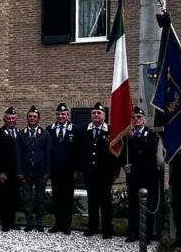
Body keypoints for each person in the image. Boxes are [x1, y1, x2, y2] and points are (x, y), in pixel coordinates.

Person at [80, 102, 120, 239]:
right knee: (92, 201)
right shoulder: (84, 130)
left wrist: (116, 171)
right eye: (94, 113)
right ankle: (92, 227)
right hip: (90, 173)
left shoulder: (111, 131)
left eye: (99, 113)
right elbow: (80, 152)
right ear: (91, 115)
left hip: (105, 174)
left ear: (104, 116)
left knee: (105, 202)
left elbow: (116, 154)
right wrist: (81, 170)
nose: (96, 115)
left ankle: (107, 229)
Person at [123, 106, 160, 243]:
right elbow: (123, 154)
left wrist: (134, 138)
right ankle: (133, 232)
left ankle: (147, 235)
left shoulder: (150, 134)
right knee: (133, 205)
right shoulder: (127, 135)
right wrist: (124, 166)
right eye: (133, 117)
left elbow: (151, 148)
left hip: (148, 176)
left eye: (139, 117)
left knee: (147, 205)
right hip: (133, 176)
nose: (136, 119)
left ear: (144, 120)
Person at [17, 105, 51, 232]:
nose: (32, 119)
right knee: (27, 198)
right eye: (30, 116)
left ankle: (39, 222)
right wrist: (19, 171)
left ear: (39, 119)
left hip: (41, 172)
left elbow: (48, 153)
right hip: (26, 172)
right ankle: (29, 221)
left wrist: (48, 171)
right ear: (27, 118)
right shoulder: (21, 134)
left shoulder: (45, 134)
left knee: (40, 198)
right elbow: (18, 154)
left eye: (34, 117)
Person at [47, 102, 77, 235]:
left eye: (63, 114)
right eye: (58, 114)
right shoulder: (50, 129)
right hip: (55, 171)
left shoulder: (75, 129)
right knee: (56, 198)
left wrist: (77, 169)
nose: (60, 116)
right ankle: (57, 223)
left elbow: (79, 151)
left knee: (68, 198)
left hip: (69, 171)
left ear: (68, 115)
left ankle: (66, 225)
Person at [0, 106, 21, 232]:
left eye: (13, 118)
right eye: (8, 118)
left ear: (16, 120)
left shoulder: (19, 133)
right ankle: (4, 222)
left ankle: (12, 221)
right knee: (4, 198)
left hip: (16, 172)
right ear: (4, 119)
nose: (11, 120)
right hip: (4, 172)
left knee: (14, 197)